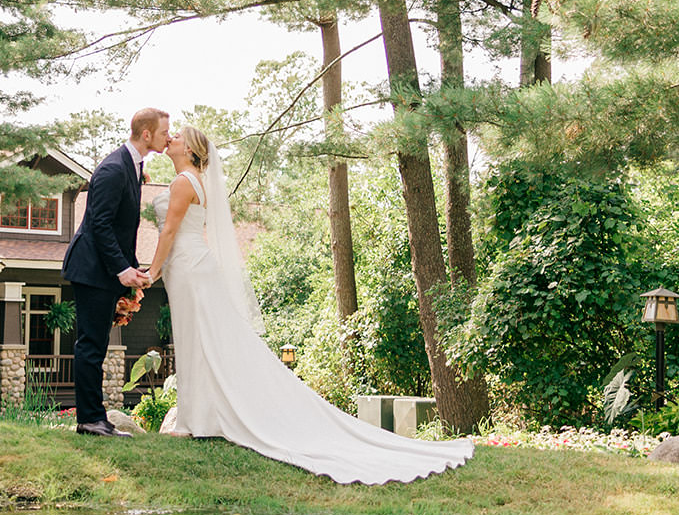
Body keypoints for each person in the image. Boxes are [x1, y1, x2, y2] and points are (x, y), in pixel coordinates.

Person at [146, 125, 473, 484]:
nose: (171, 138)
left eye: (177, 136)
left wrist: (150, 273)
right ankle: (198, 417)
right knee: (200, 342)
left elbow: (170, 233)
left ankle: (195, 420)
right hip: (190, 268)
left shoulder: (183, 183)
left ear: (191, 150)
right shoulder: (194, 181)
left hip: (189, 267)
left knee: (197, 341)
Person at [63, 106, 170, 435]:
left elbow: (123, 229)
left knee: (96, 345)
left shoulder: (133, 166)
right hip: (92, 269)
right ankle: (90, 420)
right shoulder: (113, 168)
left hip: (104, 270)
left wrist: (131, 268)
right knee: (90, 345)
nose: (169, 136)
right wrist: (120, 268)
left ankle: (96, 419)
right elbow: (100, 225)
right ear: (147, 134)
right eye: (165, 131)